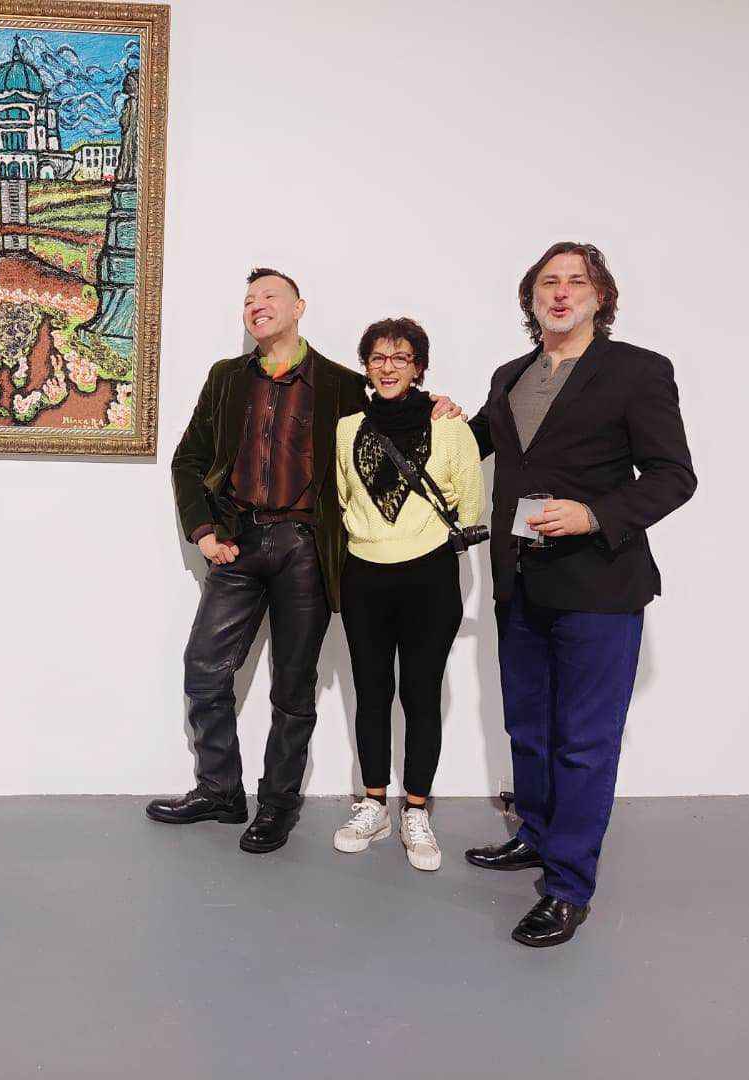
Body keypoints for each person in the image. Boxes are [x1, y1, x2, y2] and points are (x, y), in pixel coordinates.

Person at [149, 268, 462, 854]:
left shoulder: (341, 383)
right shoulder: (225, 378)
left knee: (293, 688)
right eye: (248, 299)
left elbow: (393, 407)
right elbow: (188, 459)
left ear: (299, 308)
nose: (256, 305)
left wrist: (439, 404)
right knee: (204, 668)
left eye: (270, 296)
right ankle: (219, 790)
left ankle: (278, 804)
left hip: (305, 548)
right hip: (238, 543)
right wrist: (204, 532)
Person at [464, 242, 696, 946]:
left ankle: (567, 887)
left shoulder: (637, 371)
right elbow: (472, 444)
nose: (560, 293)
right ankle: (535, 834)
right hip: (520, 580)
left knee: (584, 742)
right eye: (548, 282)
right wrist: (430, 413)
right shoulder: (510, 376)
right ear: (530, 297)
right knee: (527, 727)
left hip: (599, 583)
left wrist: (595, 514)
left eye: (576, 282)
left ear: (601, 298)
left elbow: (673, 475)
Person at [331, 318, 483, 871]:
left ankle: (416, 809)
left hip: (429, 576)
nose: (388, 367)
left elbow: (471, 502)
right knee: (371, 693)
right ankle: (373, 804)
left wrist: (423, 537)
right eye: (377, 357)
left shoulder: (450, 427)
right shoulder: (347, 428)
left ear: (419, 366)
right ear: (366, 367)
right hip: (364, 573)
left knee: (421, 694)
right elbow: (345, 497)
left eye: (400, 357)